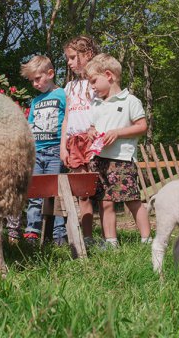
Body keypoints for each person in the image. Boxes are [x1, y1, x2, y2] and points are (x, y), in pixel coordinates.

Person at [84, 53, 151, 248]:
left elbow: (142, 126)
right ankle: (111, 242)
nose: (92, 87)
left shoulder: (130, 101)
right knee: (105, 201)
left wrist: (118, 133)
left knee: (132, 200)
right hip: (99, 159)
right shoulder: (96, 104)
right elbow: (92, 126)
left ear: (109, 75)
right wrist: (91, 132)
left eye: (94, 81)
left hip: (121, 160)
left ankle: (147, 240)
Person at [8, 55, 67, 245]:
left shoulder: (63, 95)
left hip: (55, 150)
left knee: (56, 193)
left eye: (37, 79)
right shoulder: (35, 102)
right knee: (35, 193)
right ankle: (32, 231)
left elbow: (68, 119)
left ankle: (59, 234)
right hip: (37, 152)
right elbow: (30, 124)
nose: (34, 84)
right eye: (31, 80)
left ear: (50, 74)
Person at [59, 35, 100, 246]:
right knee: (82, 192)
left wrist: (96, 127)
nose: (69, 62)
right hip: (73, 142)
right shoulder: (69, 88)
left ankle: (109, 237)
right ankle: (86, 238)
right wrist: (62, 148)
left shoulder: (97, 83)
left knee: (101, 191)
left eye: (73, 57)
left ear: (88, 55)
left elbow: (104, 110)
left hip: (93, 140)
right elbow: (66, 118)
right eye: (69, 58)